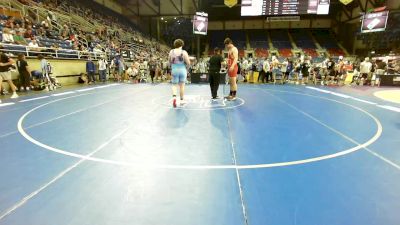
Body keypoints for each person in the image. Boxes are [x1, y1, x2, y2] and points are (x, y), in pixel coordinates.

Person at [169, 39, 190, 108]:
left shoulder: (171, 51)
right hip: (182, 70)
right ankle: (181, 100)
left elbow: (169, 61)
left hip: (174, 69)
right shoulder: (184, 52)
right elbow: (188, 63)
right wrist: (187, 69)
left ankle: (174, 98)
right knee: (182, 85)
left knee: (174, 85)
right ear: (182, 45)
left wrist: (172, 68)